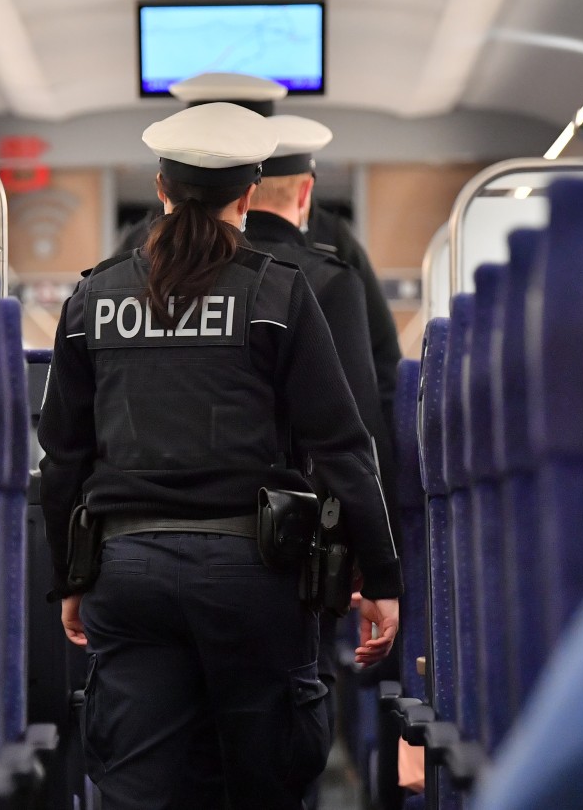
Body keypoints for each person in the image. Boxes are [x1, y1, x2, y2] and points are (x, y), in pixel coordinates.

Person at [38, 102, 402, 810]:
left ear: (161, 190)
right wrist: (380, 577)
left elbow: (62, 458)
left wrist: (69, 578)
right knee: (262, 785)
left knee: (137, 786)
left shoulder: (94, 296)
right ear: (247, 195)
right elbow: (342, 445)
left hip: (127, 570)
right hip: (254, 577)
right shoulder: (279, 291)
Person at [245, 113, 402, 807]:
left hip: (152, 555)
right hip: (292, 548)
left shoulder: (142, 279)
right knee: (285, 739)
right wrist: (375, 560)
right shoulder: (325, 278)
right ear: (304, 194)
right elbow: (355, 429)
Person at [115, 72, 401, 436]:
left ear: (161, 187)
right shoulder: (313, 271)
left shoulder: (125, 263)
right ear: (249, 191)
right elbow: (361, 402)